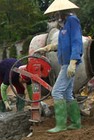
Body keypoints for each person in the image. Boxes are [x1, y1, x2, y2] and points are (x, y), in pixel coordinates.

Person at [34, 0, 84, 132]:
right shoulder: (64, 26)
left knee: (56, 92)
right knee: (67, 94)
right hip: (66, 63)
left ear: (63, 12)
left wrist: (73, 62)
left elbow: (76, 42)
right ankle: (76, 123)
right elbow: (63, 45)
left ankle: (61, 125)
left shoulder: (72, 21)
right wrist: (47, 48)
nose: (56, 16)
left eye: (57, 13)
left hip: (69, 63)